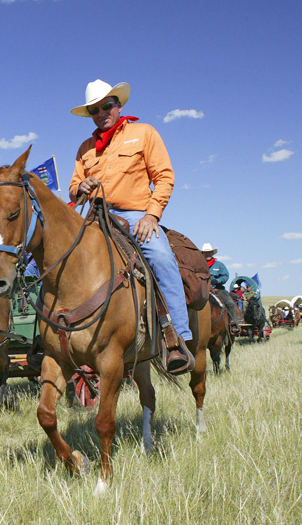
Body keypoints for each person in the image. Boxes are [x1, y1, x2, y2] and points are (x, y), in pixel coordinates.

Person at [69, 79, 192, 373]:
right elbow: (73, 188)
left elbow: (164, 176)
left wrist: (152, 216)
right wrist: (80, 186)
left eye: (106, 106)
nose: (101, 112)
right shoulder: (85, 148)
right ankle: (49, 339)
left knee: (161, 258)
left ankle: (177, 338)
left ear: (118, 105)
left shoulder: (144, 133)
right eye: (94, 110)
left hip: (136, 215)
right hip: (95, 216)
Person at [201, 242, 238, 323]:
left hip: (218, 289)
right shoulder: (199, 265)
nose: (207, 254)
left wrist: (217, 281)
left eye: (209, 252)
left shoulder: (219, 265)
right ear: (203, 253)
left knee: (230, 304)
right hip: (202, 290)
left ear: (212, 253)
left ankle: (234, 324)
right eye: (206, 252)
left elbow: (225, 276)